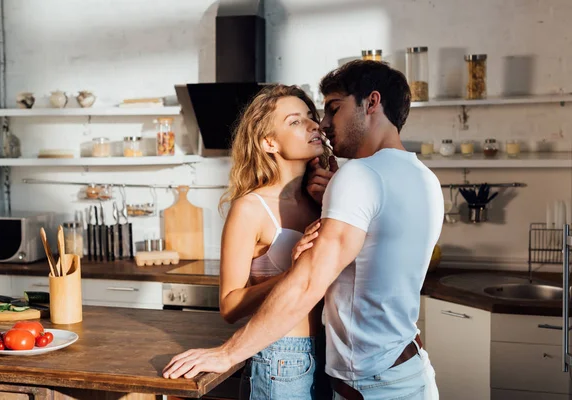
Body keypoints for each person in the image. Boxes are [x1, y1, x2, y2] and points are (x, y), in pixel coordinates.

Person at [163, 60, 444, 400]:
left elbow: (312, 280)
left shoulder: (353, 181)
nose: (322, 125)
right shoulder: (424, 178)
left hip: (362, 375)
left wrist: (228, 353)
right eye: (300, 120)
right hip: (387, 364)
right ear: (269, 142)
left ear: (371, 103)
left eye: (330, 110)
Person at [194, 84, 334, 399]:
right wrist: (293, 272)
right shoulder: (250, 208)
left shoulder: (322, 200)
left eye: (311, 116)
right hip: (283, 358)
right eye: (295, 121)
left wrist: (333, 200)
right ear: (268, 142)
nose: (313, 125)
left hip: (332, 353)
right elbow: (230, 306)